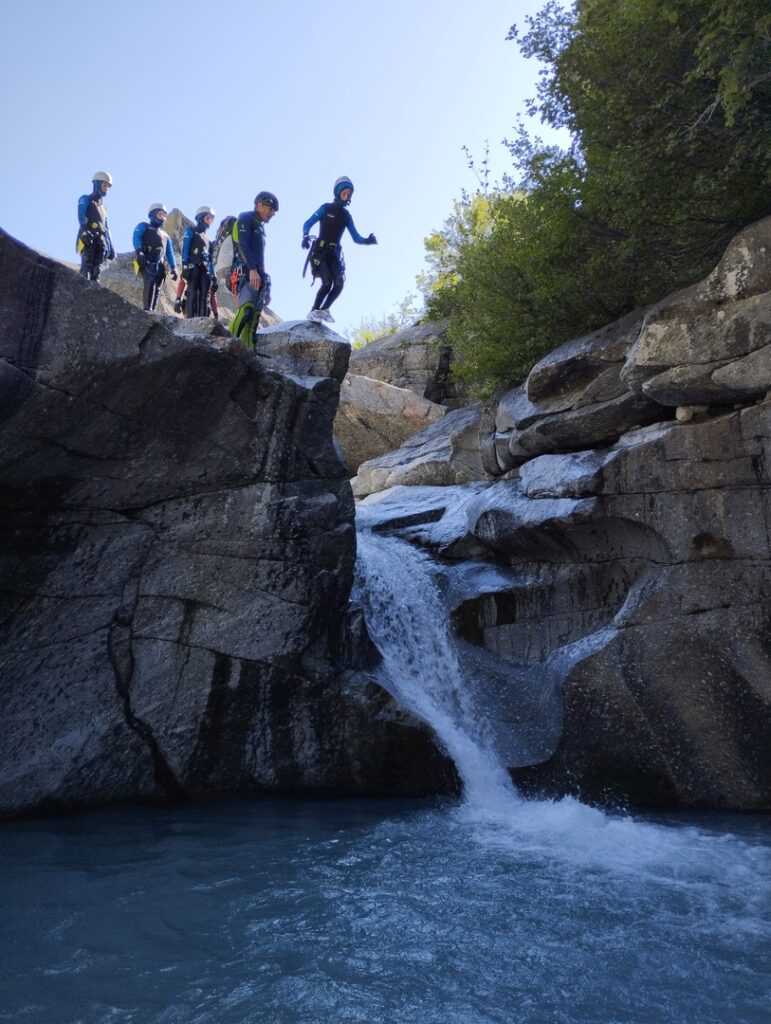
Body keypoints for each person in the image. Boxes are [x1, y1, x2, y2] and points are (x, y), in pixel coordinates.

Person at [302, 176, 377, 323]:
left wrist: (367, 241)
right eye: (345, 192)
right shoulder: (326, 208)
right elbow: (308, 222)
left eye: (349, 194)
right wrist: (305, 236)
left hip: (333, 254)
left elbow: (355, 237)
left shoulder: (346, 216)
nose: (347, 196)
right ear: (337, 192)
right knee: (326, 282)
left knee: (339, 284)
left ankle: (324, 310)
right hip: (320, 252)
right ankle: (313, 311)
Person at [229, 191, 279, 349]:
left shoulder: (260, 229)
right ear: (259, 205)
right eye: (270, 209)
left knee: (254, 318)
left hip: (257, 274)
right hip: (244, 270)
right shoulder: (245, 218)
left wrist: (267, 287)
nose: (272, 214)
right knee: (245, 310)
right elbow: (242, 244)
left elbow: (261, 259)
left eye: (273, 211)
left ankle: (249, 355)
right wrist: (252, 269)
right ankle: (225, 346)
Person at [174, 206, 219, 319]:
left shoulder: (209, 240)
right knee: (192, 291)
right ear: (200, 218)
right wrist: (184, 265)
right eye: (207, 218)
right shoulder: (190, 231)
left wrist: (214, 275)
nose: (210, 221)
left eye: (211, 219)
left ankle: (203, 320)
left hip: (206, 270)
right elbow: (186, 248)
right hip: (193, 266)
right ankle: (190, 320)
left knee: (205, 295)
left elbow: (210, 259)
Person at [132, 203, 178, 312]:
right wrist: (140, 253)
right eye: (160, 214)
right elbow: (136, 238)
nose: (163, 217)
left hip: (160, 264)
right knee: (150, 282)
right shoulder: (143, 226)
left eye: (164, 215)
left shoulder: (166, 236)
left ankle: (152, 310)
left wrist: (174, 268)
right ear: (153, 214)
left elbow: (170, 253)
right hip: (147, 260)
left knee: (157, 288)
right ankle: (147, 308)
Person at [77, 171, 116, 281]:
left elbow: (106, 228)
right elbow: (81, 215)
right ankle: (82, 284)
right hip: (88, 236)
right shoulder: (85, 199)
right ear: (97, 184)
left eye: (108, 186)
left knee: (97, 267)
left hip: (101, 240)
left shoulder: (104, 208)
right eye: (105, 185)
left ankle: (94, 288)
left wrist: (111, 247)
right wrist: (85, 230)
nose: (107, 189)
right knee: (87, 264)